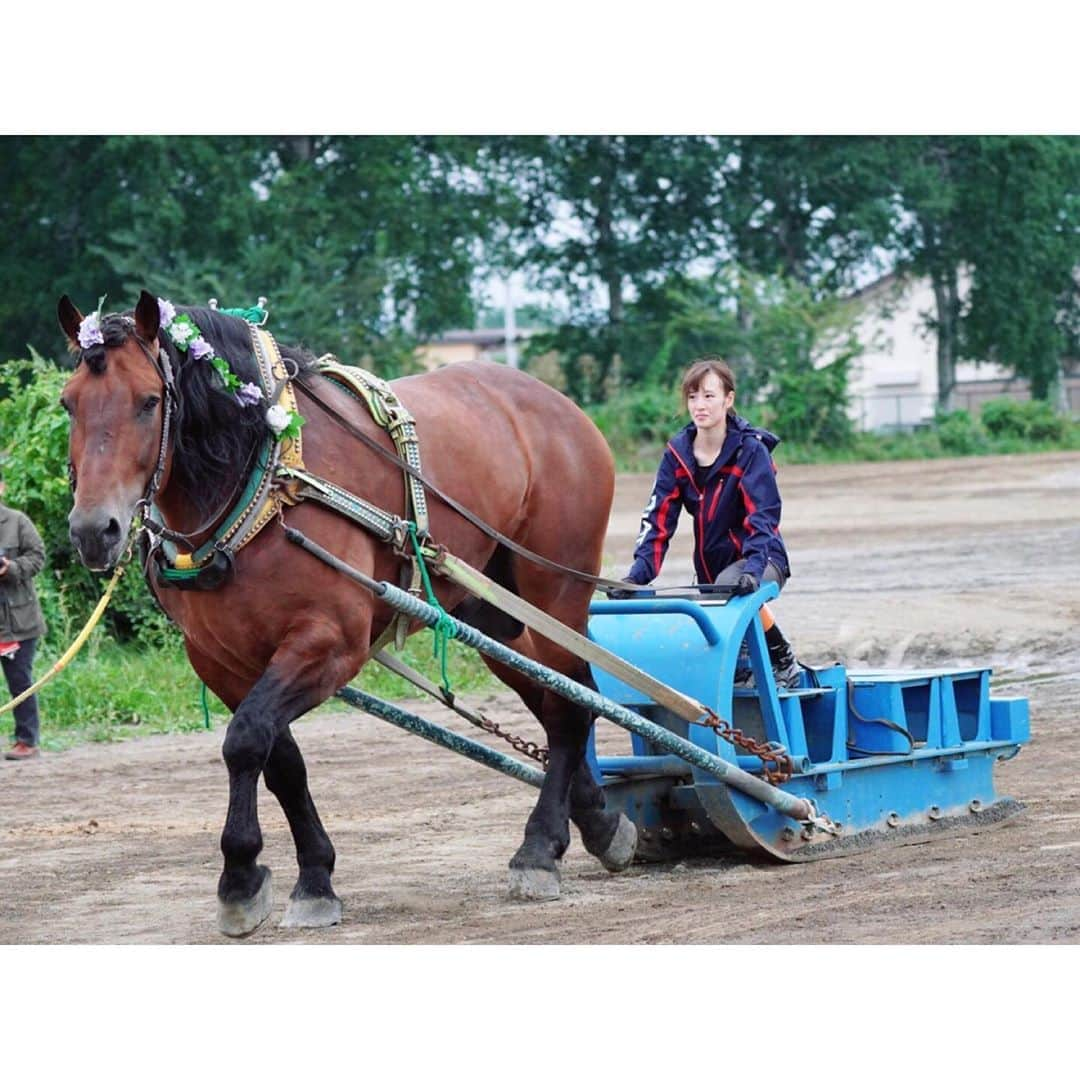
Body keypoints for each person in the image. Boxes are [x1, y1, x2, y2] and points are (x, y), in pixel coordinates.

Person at [620, 356, 801, 688]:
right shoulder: (677, 454)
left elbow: (764, 517)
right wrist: (638, 575)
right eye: (692, 397)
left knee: (728, 593)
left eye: (708, 396)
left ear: (728, 400)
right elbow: (658, 518)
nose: (699, 405)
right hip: (713, 572)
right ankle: (754, 663)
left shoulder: (750, 450)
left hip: (763, 560)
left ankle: (782, 660)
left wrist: (753, 569)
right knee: (718, 596)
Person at [0, 466, 47, 760]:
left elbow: (37, 556)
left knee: (20, 682)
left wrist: (11, 569)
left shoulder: (17, 522)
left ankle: (27, 741)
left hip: (18, 623)